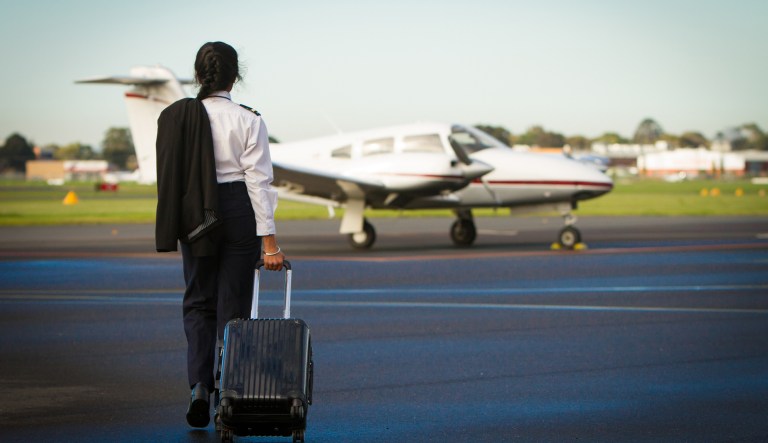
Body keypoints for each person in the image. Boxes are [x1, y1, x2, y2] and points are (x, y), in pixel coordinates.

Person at [154, 41, 286, 428]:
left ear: (199, 75)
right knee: (234, 307)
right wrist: (271, 242)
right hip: (236, 210)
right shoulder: (249, 120)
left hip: (197, 212)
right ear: (235, 76)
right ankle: (228, 392)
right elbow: (259, 184)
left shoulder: (178, 116)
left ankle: (199, 386)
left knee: (198, 301)